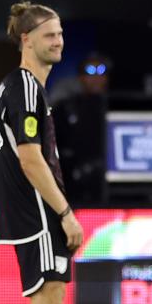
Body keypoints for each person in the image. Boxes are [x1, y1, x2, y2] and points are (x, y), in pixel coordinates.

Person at [0, 0, 83, 304]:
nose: (58, 40)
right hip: (37, 211)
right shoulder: (25, 87)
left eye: (60, 33)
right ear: (26, 40)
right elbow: (30, 159)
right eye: (49, 34)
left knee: (50, 297)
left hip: (29, 211)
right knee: (49, 297)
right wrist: (64, 212)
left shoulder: (25, 88)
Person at [53, 53, 112, 202]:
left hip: (108, 182)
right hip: (75, 183)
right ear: (80, 77)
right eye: (90, 72)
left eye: (101, 72)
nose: (96, 77)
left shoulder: (117, 108)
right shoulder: (65, 108)